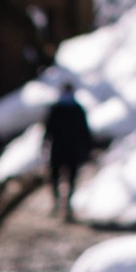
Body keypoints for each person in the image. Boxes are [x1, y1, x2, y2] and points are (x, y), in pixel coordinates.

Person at [42, 81, 95, 214]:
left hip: (68, 148)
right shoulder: (59, 109)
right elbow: (48, 130)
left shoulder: (74, 109)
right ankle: (57, 203)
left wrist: (86, 149)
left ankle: (66, 204)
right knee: (57, 176)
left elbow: (84, 132)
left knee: (68, 177)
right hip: (62, 148)